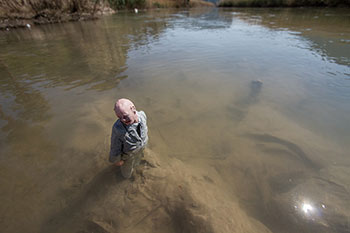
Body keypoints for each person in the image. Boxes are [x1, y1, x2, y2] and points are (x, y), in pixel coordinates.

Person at [109, 98, 148, 178]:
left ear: (133, 109)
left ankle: (137, 163)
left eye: (125, 116)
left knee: (138, 159)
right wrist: (117, 160)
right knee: (127, 172)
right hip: (128, 156)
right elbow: (115, 146)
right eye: (119, 117)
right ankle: (125, 178)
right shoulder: (118, 129)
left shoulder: (142, 115)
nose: (123, 120)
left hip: (141, 147)